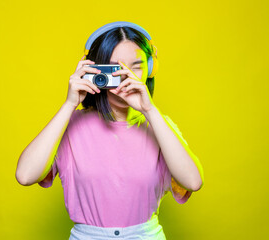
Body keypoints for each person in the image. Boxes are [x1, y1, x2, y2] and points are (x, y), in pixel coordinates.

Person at [15, 21, 204, 240]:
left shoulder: (159, 126)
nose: (126, 77)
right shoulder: (71, 126)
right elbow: (25, 175)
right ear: (95, 70)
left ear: (150, 69)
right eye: (115, 68)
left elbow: (193, 182)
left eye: (136, 66)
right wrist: (69, 104)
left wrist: (149, 110)